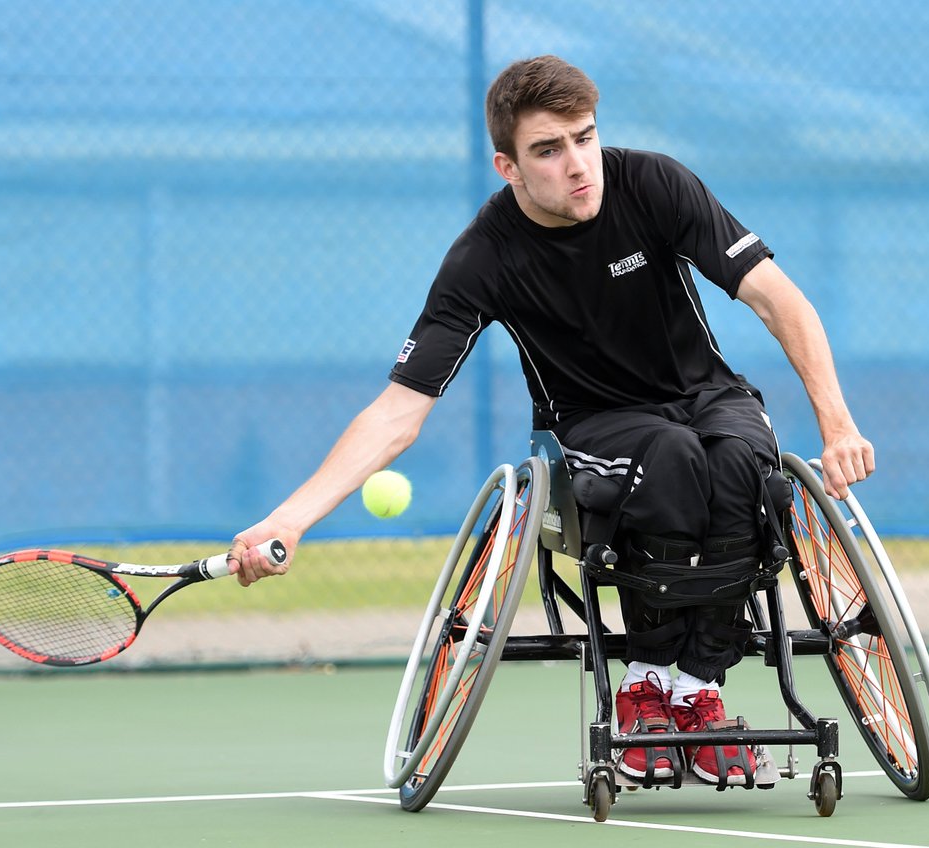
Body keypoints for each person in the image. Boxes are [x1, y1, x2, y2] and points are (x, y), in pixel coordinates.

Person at [229, 55, 874, 787]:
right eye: (548, 149)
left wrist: (839, 423)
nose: (577, 165)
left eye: (585, 138)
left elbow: (776, 298)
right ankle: (645, 683)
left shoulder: (656, 184)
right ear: (508, 165)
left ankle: (697, 692)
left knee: (744, 461)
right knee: (671, 458)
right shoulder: (484, 257)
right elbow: (398, 412)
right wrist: (290, 518)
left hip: (707, 396)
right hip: (592, 426)